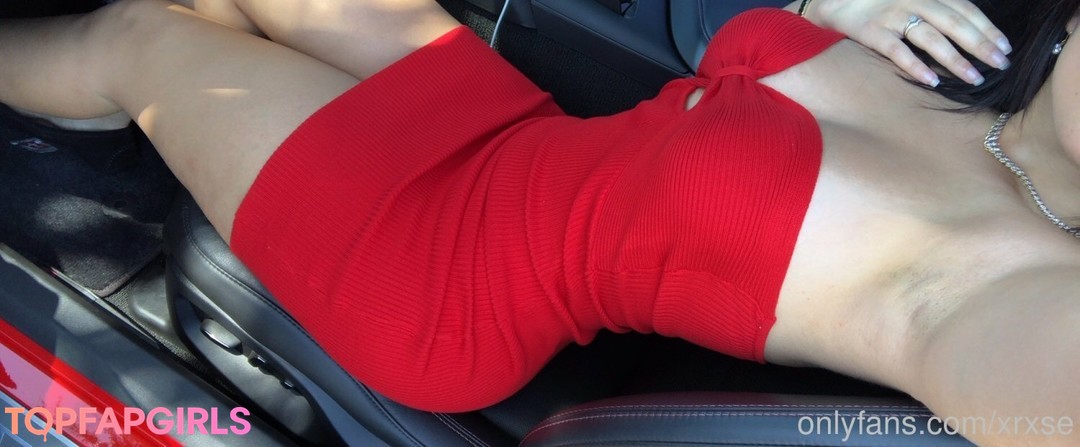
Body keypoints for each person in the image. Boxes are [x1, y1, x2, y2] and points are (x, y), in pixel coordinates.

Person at [0, 0, 1073, 445]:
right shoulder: (968, 48)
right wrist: (819, 4)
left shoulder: (1012, 293)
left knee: (138, 35)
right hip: (509, 140)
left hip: (442, 282)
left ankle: (70, 89)